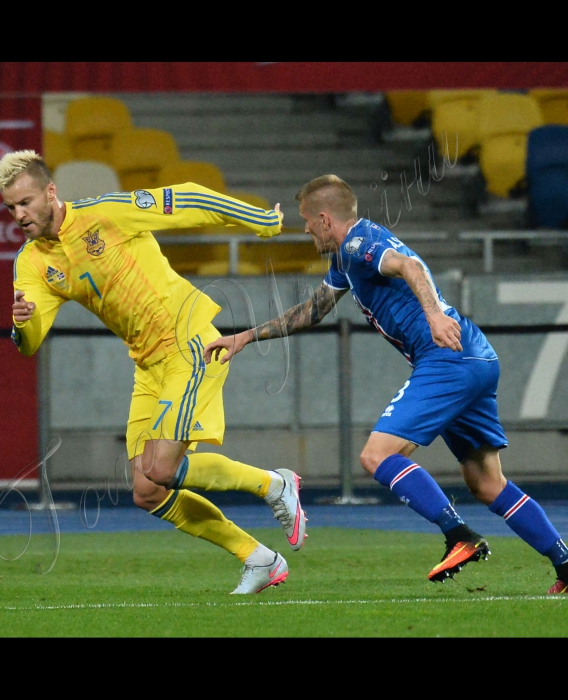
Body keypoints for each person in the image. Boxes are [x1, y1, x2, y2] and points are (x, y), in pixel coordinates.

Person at [204, 173, 568, 595]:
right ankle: (565, 562)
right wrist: (245, 336)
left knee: (377, 455)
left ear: (324, 219)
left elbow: (409, 266)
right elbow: (313, 311)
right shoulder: (344, 259)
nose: (304, 229)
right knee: (487, 483)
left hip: (448, 358)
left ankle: (458, 535)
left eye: (306, 221)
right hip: (473, 357)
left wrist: (432, 314)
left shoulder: (360, 244)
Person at [0, 150, 307, 595]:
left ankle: (274, 485)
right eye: (11, 208)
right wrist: (21, 323)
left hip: (190, 343)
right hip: (147, 364)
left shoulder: (105, 214)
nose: (19, 215)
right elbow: (30, 341)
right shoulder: (31, 263)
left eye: (25, 202)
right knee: (147, 490)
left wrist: (259, 220)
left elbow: (188, 199)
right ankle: (259, 558)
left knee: (160, 468)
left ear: (50, 192)